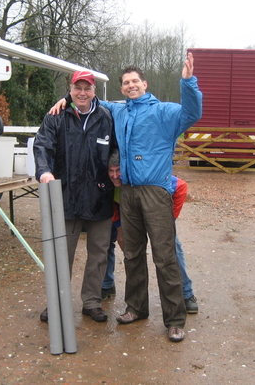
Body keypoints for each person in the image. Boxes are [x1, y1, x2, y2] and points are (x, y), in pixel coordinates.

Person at [50, 53, 202, 342]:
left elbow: (192, 113)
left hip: (156, 191)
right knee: (132, 254)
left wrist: (188, 82)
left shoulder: (164, 112)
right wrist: (65, 99)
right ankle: (136, 308)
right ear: (121, 89)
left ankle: (174, 319)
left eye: (135, 81)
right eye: (126, 83)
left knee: (164, 256)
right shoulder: (118, 111)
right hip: (129, 192)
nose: (131, 86)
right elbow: (87, 98)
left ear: (144, 84)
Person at [33, 70, 115, 323]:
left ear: (94, 91)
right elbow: (42, 145)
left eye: (87, 88)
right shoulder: (56, 116)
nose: (82, 93)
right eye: (77, 88)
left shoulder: (106, 117)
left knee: (99, 254)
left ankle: (91, 302)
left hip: (99, 196)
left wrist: (116, 169)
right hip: (65, 197)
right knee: (61, 253)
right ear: (70, 89)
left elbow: (116, 148)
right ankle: (56, 302)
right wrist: (44, 171)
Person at [102, 151, 198, 315]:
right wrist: (119, 228)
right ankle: (106, 285)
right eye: (111, 171)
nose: (115, 175)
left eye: (119, 171)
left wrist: (169, 220)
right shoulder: (109, 183)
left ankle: (186, 293)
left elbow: (181, 187)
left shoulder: (142, 176)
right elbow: (111, 203)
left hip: (154, 212)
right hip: (126, 214)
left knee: (171, 248)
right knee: (105, 242)